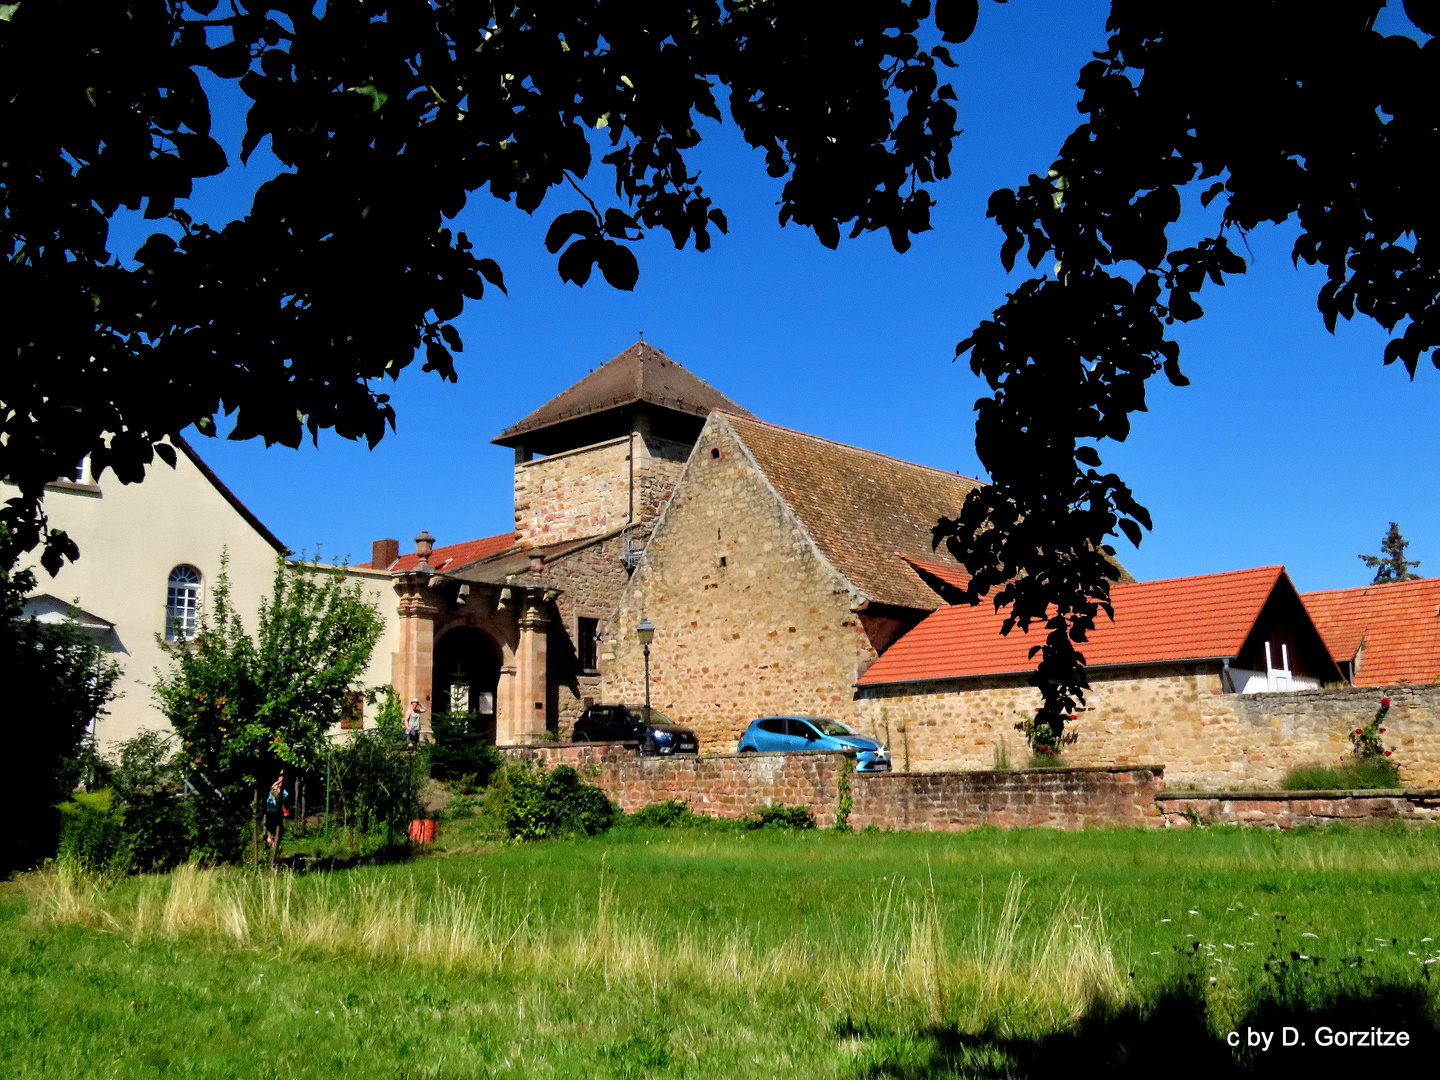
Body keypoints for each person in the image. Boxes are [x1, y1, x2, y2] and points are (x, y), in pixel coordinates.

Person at [264, 771, 290, 852]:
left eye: (284, 775)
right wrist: (284, 809)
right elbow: (277, 797)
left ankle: (273, 852)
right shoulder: (276, 785)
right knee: (275, 834)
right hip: (273, 813)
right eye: (281, 775)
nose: (282, 777)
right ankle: (272, 852)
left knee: (278, 833)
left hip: (275, 812)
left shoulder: (282, 786)